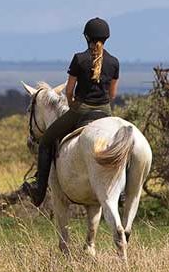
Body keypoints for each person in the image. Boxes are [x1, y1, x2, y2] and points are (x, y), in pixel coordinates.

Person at [21, 17, 119, 207]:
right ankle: (120, 192)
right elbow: (112, 94)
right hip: (106, 113)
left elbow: (68, 90)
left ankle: (38, 190)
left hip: (80, 111)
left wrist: (73, 104)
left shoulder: (79, 59)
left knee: (47, 140)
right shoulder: (114, 62)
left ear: (86, 37)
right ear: (106, 38)